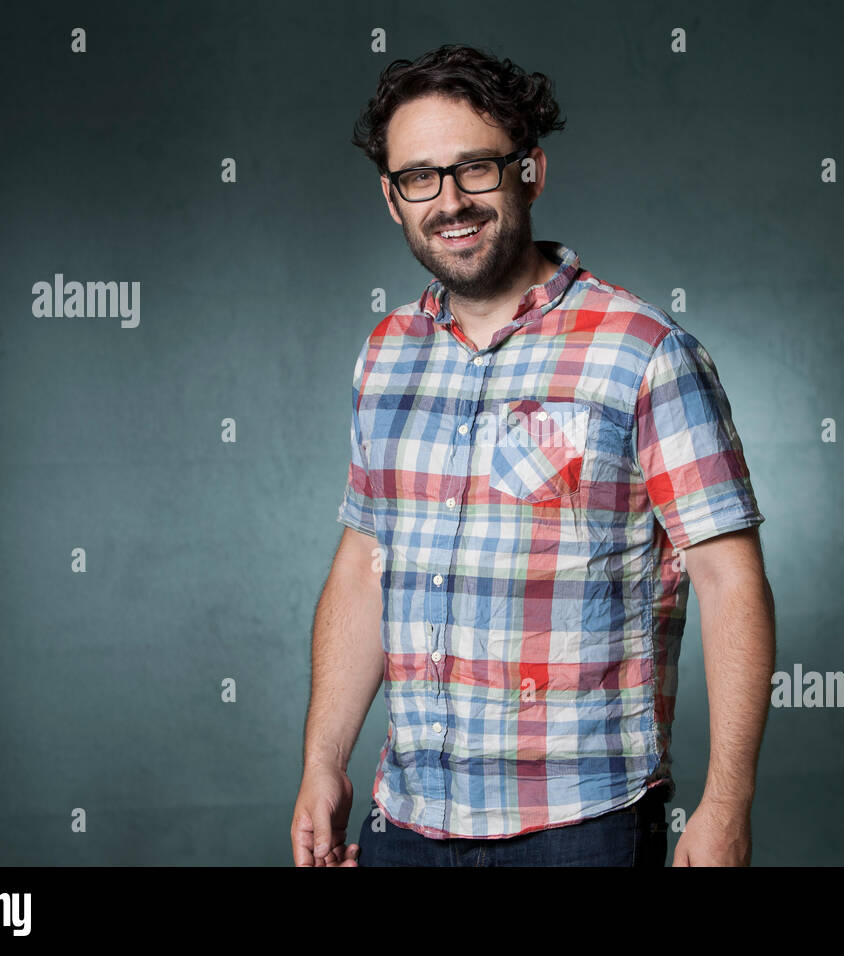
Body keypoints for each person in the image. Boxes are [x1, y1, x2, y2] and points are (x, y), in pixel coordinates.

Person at [290, 44, 775, 867]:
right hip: (405, 822)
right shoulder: (386, 355)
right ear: (391, 198)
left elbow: (732, 581)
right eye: (420, 178)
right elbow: (363, 562)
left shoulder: (643, 351)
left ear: (530, 171)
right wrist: (322, 762)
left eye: (475, 168)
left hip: (581, 826)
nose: (450, 201)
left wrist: (727, 802)